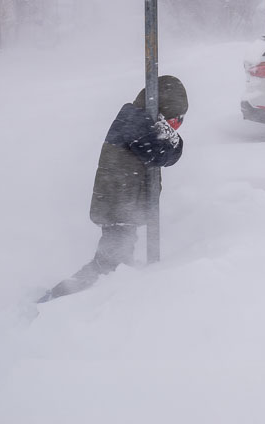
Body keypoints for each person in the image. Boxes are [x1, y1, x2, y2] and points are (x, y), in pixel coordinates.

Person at [39, 75, 188, 302]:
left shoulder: (140, 120)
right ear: (163, 110)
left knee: (115, 264)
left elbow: (167, 155)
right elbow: (160, 155)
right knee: (107, 266)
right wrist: (171, 140)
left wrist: (170, 139)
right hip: (117, 208)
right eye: (175, 121)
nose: (175, 128)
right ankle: (54, 302)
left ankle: (74, 302)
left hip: (120, 207)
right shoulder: (136, 120)